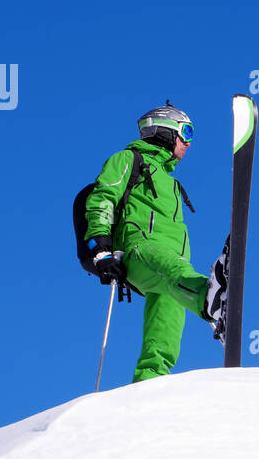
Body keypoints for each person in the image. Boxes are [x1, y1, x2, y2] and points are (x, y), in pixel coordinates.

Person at [83, 104, 214, 382]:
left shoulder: (171, 182)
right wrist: (102, 250)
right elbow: (102, 198)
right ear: (165, 132)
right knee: (173, 273)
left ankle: (150, 383)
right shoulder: (128, 159)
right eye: (186, 133)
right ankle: (212, 298)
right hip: (140, 249)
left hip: (174, 265)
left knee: (167, 326)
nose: (189, 143)